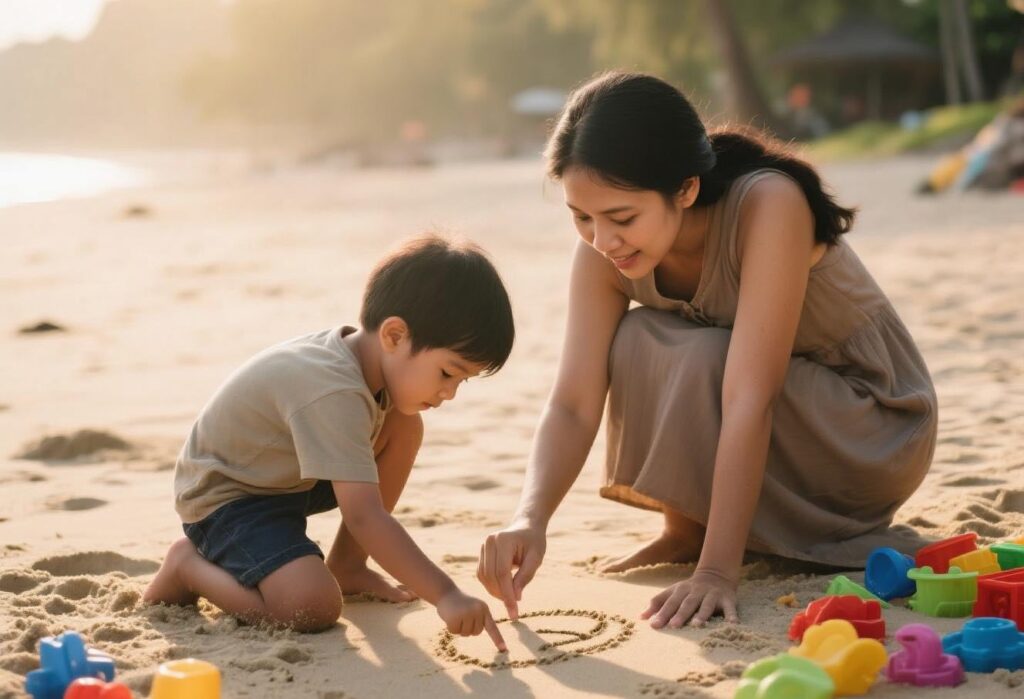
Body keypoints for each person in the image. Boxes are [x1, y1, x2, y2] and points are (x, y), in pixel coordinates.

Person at [478, 72, 937, 630]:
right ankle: (684, 530)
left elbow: (751, 397)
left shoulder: (768, 204)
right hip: (774, 412)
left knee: (702, 355)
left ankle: (712, 544)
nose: (603, 240)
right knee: (641, 338)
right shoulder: (603, 253)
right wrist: (530, 519)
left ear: (687, 189)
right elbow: (573, 402)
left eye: (622, 218)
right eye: (582, 217)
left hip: (870, 427)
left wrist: (718, 574)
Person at [145, 234, 512, 651]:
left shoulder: (366, 363)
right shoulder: (333, 390)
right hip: (227, 496)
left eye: (462, 381)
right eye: (448, 373)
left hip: (281, 479)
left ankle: (348, 565)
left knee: (403, 424)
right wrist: (446, 594)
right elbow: (365, 517)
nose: (450, 393)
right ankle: (187, 566)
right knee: (311, 606)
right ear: (394, 335)